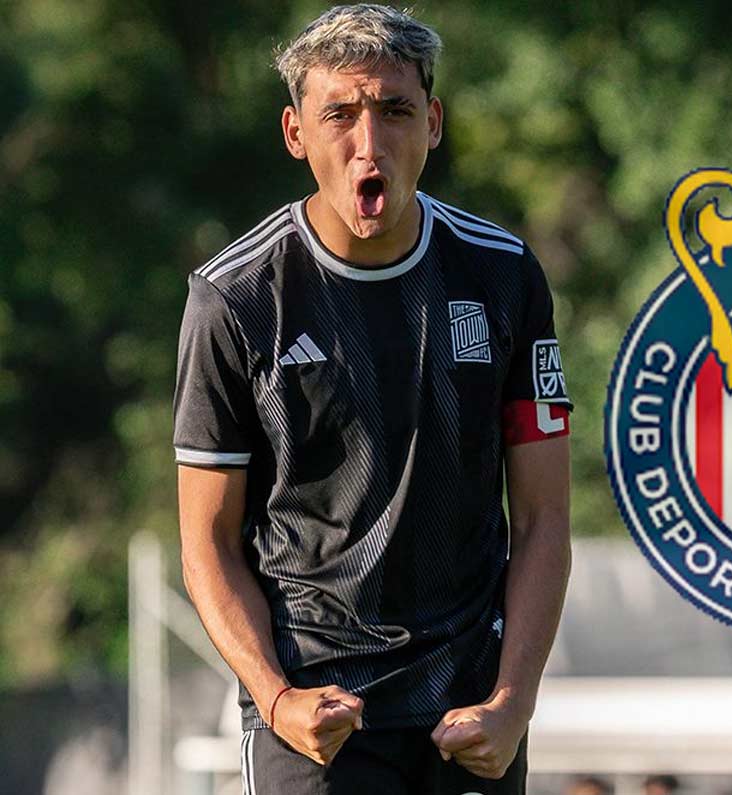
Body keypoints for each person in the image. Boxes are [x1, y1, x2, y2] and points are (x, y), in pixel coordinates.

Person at [173, 5, 572, 794]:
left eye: (394, 110)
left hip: (467, 715)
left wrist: (512, 702)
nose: (369, 141)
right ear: (295, 133)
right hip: (315, 715)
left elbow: (543, 519)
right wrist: (277, 699)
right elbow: (206, 543)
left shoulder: (503, 276)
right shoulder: (236, 298)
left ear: (434, 122)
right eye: (340, 115)